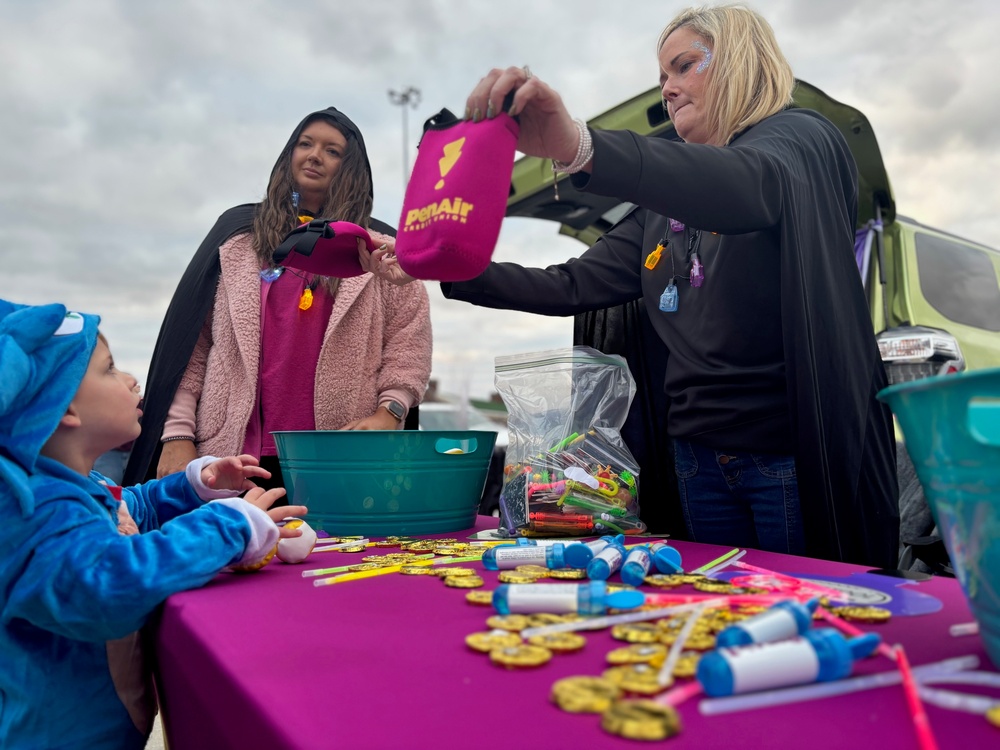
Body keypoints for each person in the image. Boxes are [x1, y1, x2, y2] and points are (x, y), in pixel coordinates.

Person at [364, 4, 899, 568]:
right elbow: (572, 284)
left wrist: (580, 145)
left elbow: (751, 184)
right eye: (662, 76)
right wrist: (439, 265)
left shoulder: (800, 140)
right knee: (715, 610)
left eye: (683, 66)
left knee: (801, 616)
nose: (667, 88)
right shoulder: (659, 213)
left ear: (741, 60)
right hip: (693, 459)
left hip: (786, 459)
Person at [0, 299, 308, 749]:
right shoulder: (37, 514)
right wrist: (231, 524)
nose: (130, 380)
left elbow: (130, 511)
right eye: (109, 370)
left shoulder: (81, 484)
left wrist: (195, 487)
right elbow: (111, 581)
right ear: (65, 408)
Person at [123, 106, 433, 490]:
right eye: (305, 144)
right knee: (238, 550)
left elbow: (408, 347)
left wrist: (391, 412)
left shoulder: (378, 251)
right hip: (233, 458)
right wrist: (177, 436)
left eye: (332, 150)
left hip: (340, 458)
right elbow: (191, 347)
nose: (315, 155)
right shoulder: (236, 239)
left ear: (351, 168)